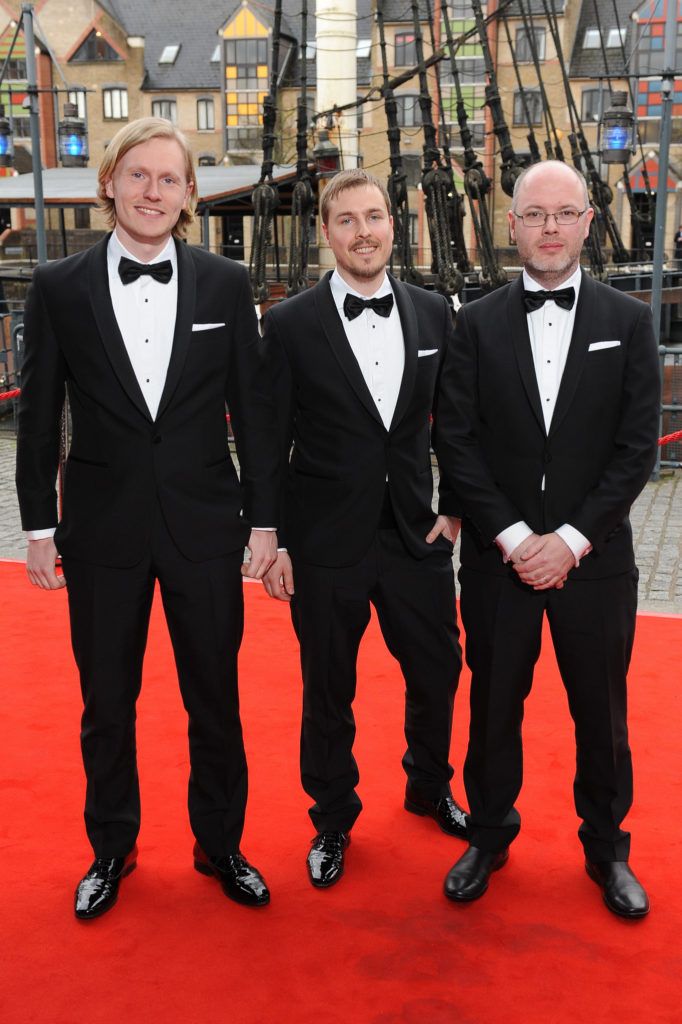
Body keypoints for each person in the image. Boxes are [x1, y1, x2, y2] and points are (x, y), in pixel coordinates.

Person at [15, 118, 280, 918]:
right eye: (138, 176)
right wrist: (37, 526)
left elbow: (256, 413)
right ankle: (111, 849)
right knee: (106, 701)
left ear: (189, 194)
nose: (152, 192)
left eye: (169, 179)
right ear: (109, 184)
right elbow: (38, 413)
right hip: (100, 530)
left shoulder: (225, 284)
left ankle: (221, 845)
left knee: (215, 697)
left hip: (205, 524)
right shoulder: (58, 286)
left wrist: (266, 523)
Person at [436, 160, 659, 918]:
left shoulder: (629, 323)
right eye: (535, 215)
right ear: (513, 226)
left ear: (588, 222)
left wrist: (567, 541)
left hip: (594, 566)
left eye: (565, 214)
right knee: (495, 708)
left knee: (601, 715)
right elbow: (457, 442)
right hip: (499, 568)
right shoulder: (473, 321)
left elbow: (637, 452)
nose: (551, 228)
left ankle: (607, 850)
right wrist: (509, 537)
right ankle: (490, 835)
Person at [260, 169, 465, 889]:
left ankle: (428, 784)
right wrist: (275, 539)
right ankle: (333, 820)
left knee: (439, 670)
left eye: (375, 216)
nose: (364, 231)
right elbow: (266, 441)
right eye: (346, 220)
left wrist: (456, 505)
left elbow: (459, 424)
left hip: (416, 535)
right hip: (323, 541)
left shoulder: (436, 312)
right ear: (325, 232)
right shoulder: (287, 325)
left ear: (393, 223)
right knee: (328, 687)